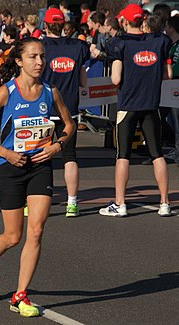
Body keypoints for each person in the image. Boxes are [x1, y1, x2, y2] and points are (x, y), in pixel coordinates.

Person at [0, 37, 75, 317]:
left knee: (37, 230)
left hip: (40, 166)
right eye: (33, 57)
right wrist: (6, 152)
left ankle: (20, 296)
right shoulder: (7, 92)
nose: (40, 62)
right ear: (19, 61)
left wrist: (56, 146)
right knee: (13, 236)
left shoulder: (50, 92)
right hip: (10, 167)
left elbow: (69, 124)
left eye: (42, 57)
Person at [99, 4, 172, 218]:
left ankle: (120, 203)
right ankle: (165, 202)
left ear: (124, 21)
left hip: (128, 105)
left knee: (123, 155)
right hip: (151, 105)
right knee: (158, 154)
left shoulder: (119, 43)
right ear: (143, 20)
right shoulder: (160, 41)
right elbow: (167, 74)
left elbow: (115, 79)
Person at [42, 8, 89, 217]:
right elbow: (83, 81)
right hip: (69, 109)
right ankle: (72, 203)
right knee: (70, 156)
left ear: (44, 25)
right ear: (64, 25)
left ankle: (36, 202)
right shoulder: (79, 46)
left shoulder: (38, 46)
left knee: (39, 157)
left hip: (43, 107)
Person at [164, 15, 179, 167]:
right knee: (160, 118)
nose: (165, 29)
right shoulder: (167, 43)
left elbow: (175, 67)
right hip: (166, 86)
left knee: (176, 120)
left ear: (172, 28)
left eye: (167, 26)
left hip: (175, 85)